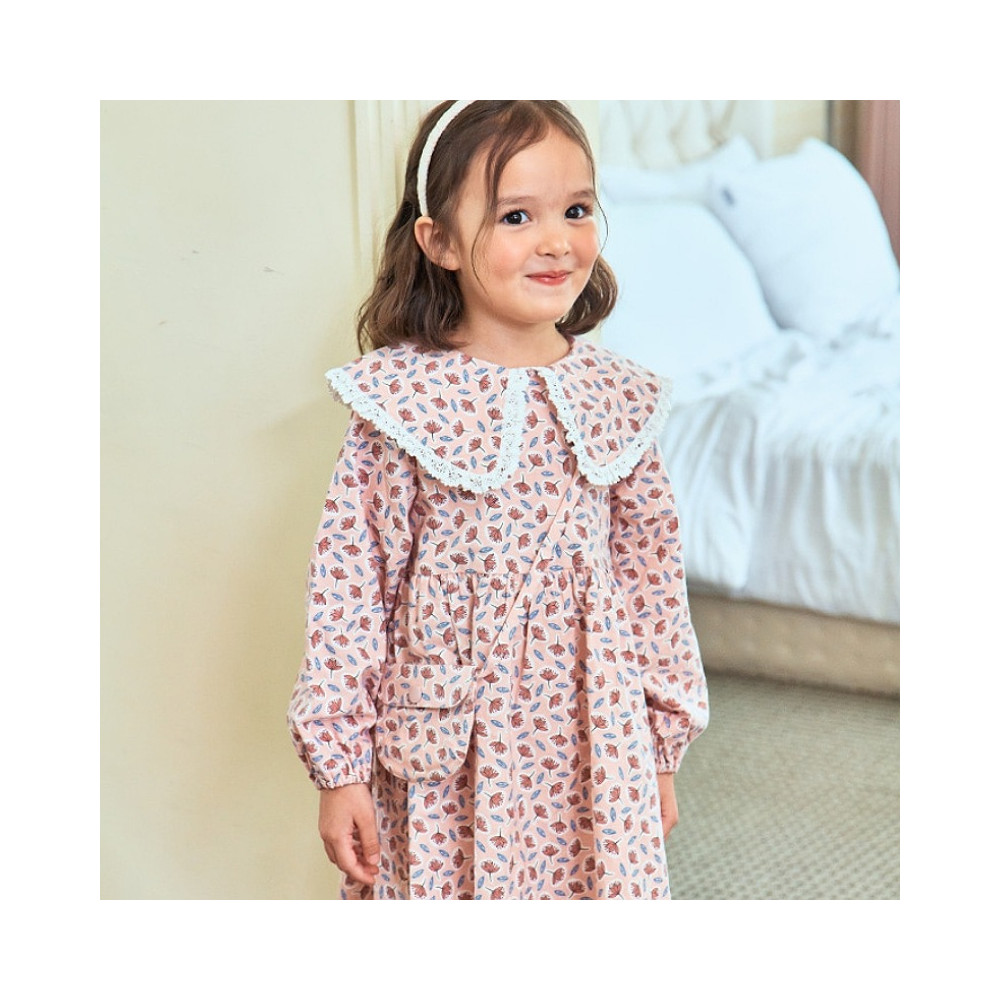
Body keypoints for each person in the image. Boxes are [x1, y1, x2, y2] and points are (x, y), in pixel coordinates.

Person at [287, 100, 709, 900]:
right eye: (517, 216)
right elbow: (350, 594)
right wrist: (339, 770)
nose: (557, 240)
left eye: (577, 210)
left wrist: (658, 752)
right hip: (446, 755)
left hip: (593, 745)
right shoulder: (399, 405)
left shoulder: (620, 400)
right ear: (439, 241)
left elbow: (652, 585)